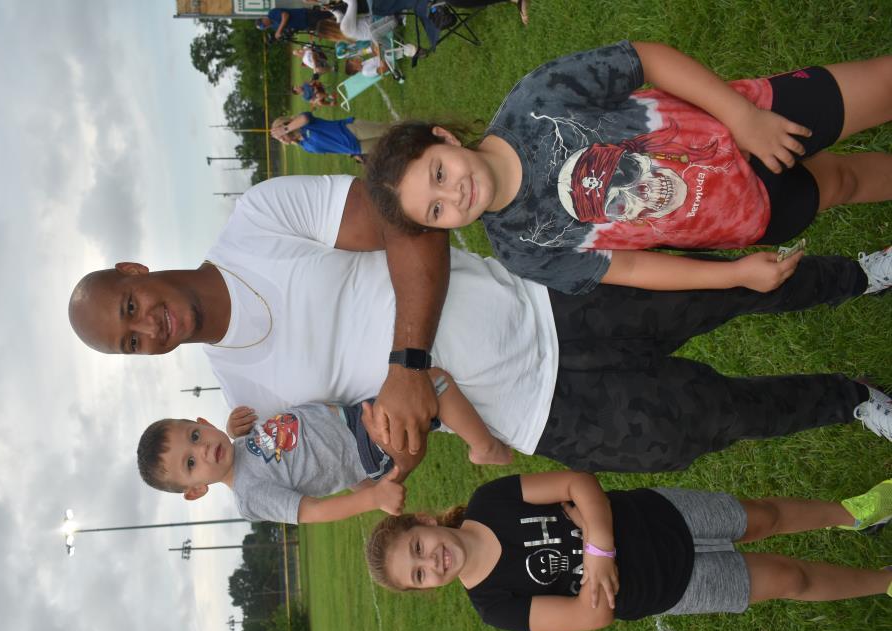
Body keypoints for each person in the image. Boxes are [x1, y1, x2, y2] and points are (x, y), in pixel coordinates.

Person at [68, 175, 892, 474]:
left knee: (726, 288)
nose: (151, 329)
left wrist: (407, 358)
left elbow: (409, 222)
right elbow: (382, 429)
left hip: (549, 301)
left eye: (130, 309)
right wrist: (404, 446)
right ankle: (851, 396)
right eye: (133, 342)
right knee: (718, 420)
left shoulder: (258, 220)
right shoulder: (247, 390)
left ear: (134, 272)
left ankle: (862, 275)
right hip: (543, 415)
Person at [364, 41, 892, 295]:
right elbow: (632, 269)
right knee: (841, 183)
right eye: (436, 211)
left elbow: (646, 60)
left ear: (445, 137)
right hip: (744, 214)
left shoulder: (536, 100)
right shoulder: (522, 248)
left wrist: (743, 116)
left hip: (754, 120)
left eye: (438, 173)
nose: (454, 195)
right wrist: (735, 273)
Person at [366, 472, 892, 631]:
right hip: (664, 586)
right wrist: (597, 543)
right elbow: (591, 617)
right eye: (418, 576)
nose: (431, 562)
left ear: (427, 521)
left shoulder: (491, 501)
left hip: (658, 515)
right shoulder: (495, 605)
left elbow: (579, 482)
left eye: (418, 547)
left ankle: (853, 512)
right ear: (426, 589)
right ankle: (884, 580)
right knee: (788, 580)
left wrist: (598, 550)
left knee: (761, 518)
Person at [136, 369, 510, 524]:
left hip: (352, 420)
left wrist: (236, 431)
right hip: (365, 449)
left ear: (202, 423)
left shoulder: (241, 442)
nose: (202, 450)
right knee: (431, 382)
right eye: (190, 463)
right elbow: (311, 511)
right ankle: (484, 447)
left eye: (195, 436)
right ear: (197, 489)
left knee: (419, 393)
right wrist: (372, 498)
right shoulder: (250, 496)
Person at [271, 112, 392, 157]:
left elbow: (304, 118)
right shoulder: (305, 146)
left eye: (281, 136)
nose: (282, 139)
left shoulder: (304, 124)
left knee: (388, 130)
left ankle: (410, 126)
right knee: (388, 145)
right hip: (355, 148)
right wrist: (352, 154)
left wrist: (285, 129)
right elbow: (332, 148)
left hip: (350, 130)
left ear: (285, 126)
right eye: (280, 139)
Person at [256, 6, 330, 42]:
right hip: (304, 25)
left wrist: (279, 31)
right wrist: (283, 36)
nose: (265, 27)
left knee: (328, 15)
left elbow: (285, 15)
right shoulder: (273, 27)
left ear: (263, 19)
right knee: (327, 27)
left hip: (305, 15)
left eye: (263, 25)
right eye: (264, 28)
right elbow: (286, 29)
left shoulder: (272, 13)